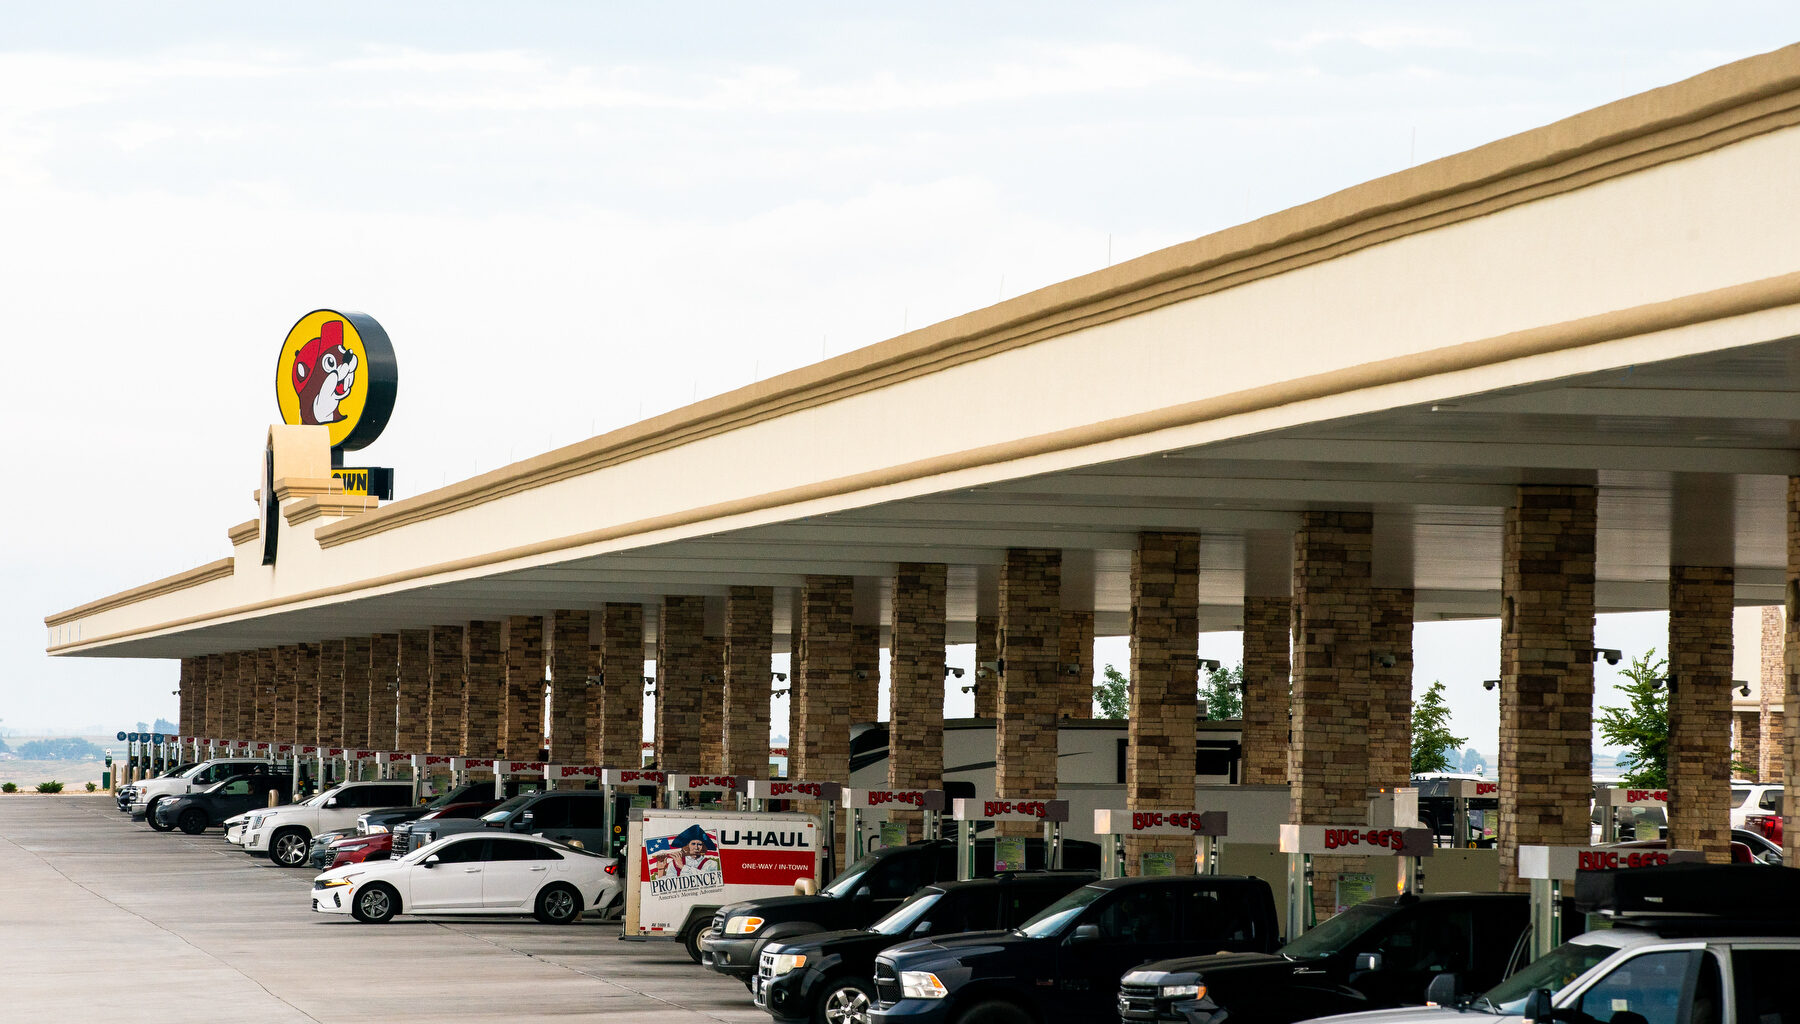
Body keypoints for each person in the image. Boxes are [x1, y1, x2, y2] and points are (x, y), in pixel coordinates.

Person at [650, 825, 720, 878]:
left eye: (699, 844)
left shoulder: (711, 864)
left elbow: (705, 880)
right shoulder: (674, 864)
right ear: (687, 846)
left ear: (703, 847)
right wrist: (661, 869)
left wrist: (682, 866)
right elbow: (668, 886)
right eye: (693, 844)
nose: (696, 847)